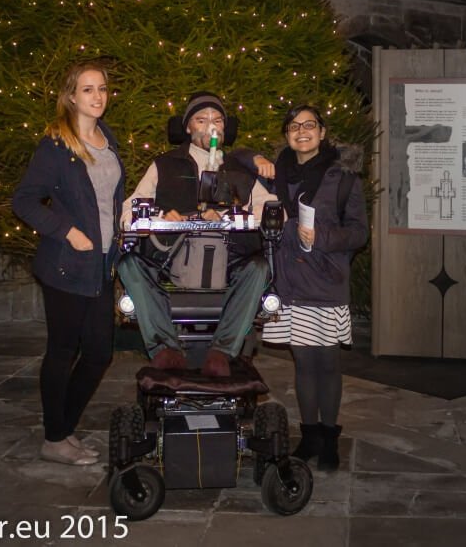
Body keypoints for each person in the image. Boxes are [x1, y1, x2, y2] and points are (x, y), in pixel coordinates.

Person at [12, 61, 124, 466]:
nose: (97, 97)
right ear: (71, 96)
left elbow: (106, 201)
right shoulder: (56, 145)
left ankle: (64, 428)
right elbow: (23, 200)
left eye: (103, 89)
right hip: (66, 266)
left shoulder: (106, 137)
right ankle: (55, 438)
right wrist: (67, 231)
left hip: (100, 266)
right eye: (88, 89)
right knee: (62, 351)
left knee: (98, 354)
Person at [118, 92, 274, 377]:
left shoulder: (239, 170)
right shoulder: (164, 165)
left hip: (229, 260)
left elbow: (274, 209)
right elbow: (130, 209)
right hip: (171, 260)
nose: (211, 127)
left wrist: (230, 215)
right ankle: (165, 348)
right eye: (201, 120)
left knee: (259, 268)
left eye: (217, 121)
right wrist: (160, 215)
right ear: (188, 127)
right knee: (129, 264)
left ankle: (222, 351)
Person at [260, 105, 368, 471]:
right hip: (290, 279)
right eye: (294, 126)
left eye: (310, 125)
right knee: (303, 361)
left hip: (326, 277)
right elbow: (235, 163)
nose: (301, 131)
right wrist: (253, 157)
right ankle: (309, 436)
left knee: (327, 361)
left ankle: (329, 438)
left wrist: (322, 236)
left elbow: (359, 232)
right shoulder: (276, 175)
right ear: (287, 134)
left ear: (322, 132)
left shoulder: (344, 177)